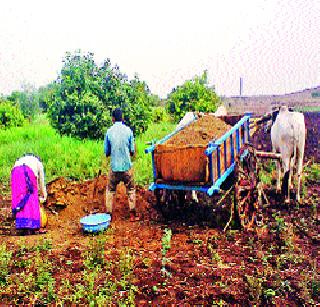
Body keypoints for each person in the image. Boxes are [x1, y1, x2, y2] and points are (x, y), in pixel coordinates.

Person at [104, 108, 137, 221]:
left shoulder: (109, 131)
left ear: (113, 119)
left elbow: (107, 152)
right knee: (131, 189)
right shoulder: (128, 131)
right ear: (122, 118)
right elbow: (132, 150)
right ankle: (132, 214)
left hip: (114, 167)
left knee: (110, 190)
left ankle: (109, 215)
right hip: (126, 166)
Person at [11, 154, 48, 234]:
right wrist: (44, 196)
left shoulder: (20, 160)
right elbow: (41, 182)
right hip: (27, 171)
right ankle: (31, 226)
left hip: (15, 172)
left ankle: (21, 225)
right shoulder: (39, 163)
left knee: (20, 197)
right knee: (32, 195)